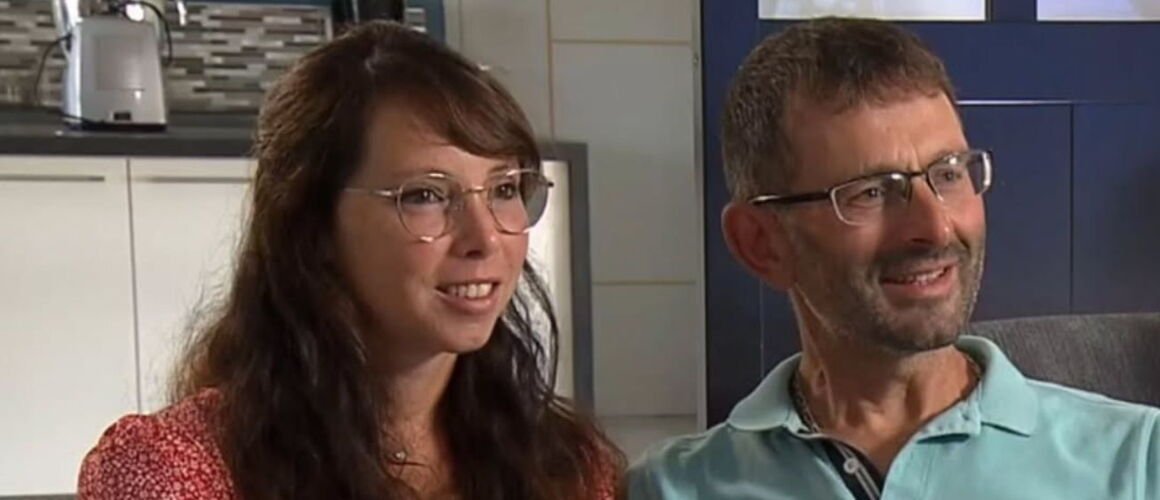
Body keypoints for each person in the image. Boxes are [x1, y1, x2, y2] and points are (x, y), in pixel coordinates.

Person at [78, 21, 622, 500]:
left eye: (504, 189)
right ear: (312, 226)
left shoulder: (569, 469)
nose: (485, 239)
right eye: (426, 195)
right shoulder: (174, 473)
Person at [627, 17, 1159, 499]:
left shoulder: (1137, 460)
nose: (936, 228)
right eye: (873, 192)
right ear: (761, 243)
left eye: (948, 173)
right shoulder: (672, 487)